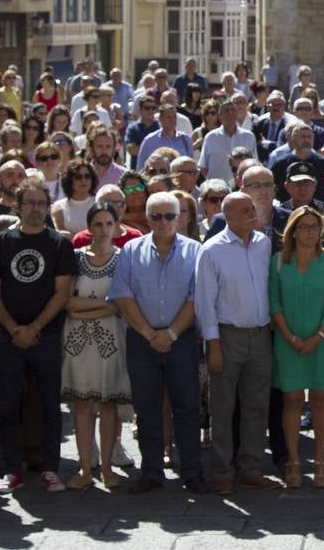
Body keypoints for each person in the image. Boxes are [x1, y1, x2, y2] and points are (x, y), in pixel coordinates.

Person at [108, 192, 206, 495]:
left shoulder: (196, 251)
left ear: (180, 218)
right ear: (147, 219)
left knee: (187, 407)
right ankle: (151, 471)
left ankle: (191, 471)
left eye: (169, 216)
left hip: (182, 339)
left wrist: (172, 334)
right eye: (157, 216)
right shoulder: (130, 252)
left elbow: (196, 297)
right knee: (147, 408)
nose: (163, 222)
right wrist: (150, 334)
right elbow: (123, 296)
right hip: (142, 340)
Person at [0, 177, 77, 493]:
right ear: (17, 205)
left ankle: (51, 468)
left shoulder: (60, 244)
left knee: (50, 405)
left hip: (47, 336)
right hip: (7, 336)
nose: (36, 209)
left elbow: (62, 292)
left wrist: (35, 328)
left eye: (41, 203)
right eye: (30, 203)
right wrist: (14, 329)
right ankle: (10, 469)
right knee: (8, 405)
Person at [195, 192, 281, 495]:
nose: (251, 214)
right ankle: (221, 472)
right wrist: (213, 345)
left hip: (260, 336)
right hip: (227, 336)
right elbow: (205, 303)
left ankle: (251, 469)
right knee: (223, 407)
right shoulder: (212, 251)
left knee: (257, 407)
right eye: (244, 210)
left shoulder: (263, 244)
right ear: (228, 216)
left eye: (252, 209)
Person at [270, 204, 324, 489]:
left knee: (321, 399)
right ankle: (294, 462)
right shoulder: (278, 261)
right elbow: (274, 301)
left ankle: (322, 461)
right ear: (293, 231)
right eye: (304, 227)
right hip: (288, 341)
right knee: (292, 400)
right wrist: (289, 337)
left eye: (315, 227)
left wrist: (318, 337)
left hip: (321, 341)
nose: (310, 232)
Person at [60, 203, 130, 491]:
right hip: (77, 342)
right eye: (97, 224)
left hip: (111, 341)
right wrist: (104, 305)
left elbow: (122, 305)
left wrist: (85, 310)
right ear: (89, 227)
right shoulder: (75, 258)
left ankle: (107, 469)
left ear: (116, 226)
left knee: (108, 403)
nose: (103, 230)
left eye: (108, 224)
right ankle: (85, 467)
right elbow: (68, 302)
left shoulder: (124, 259)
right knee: (82, 404)